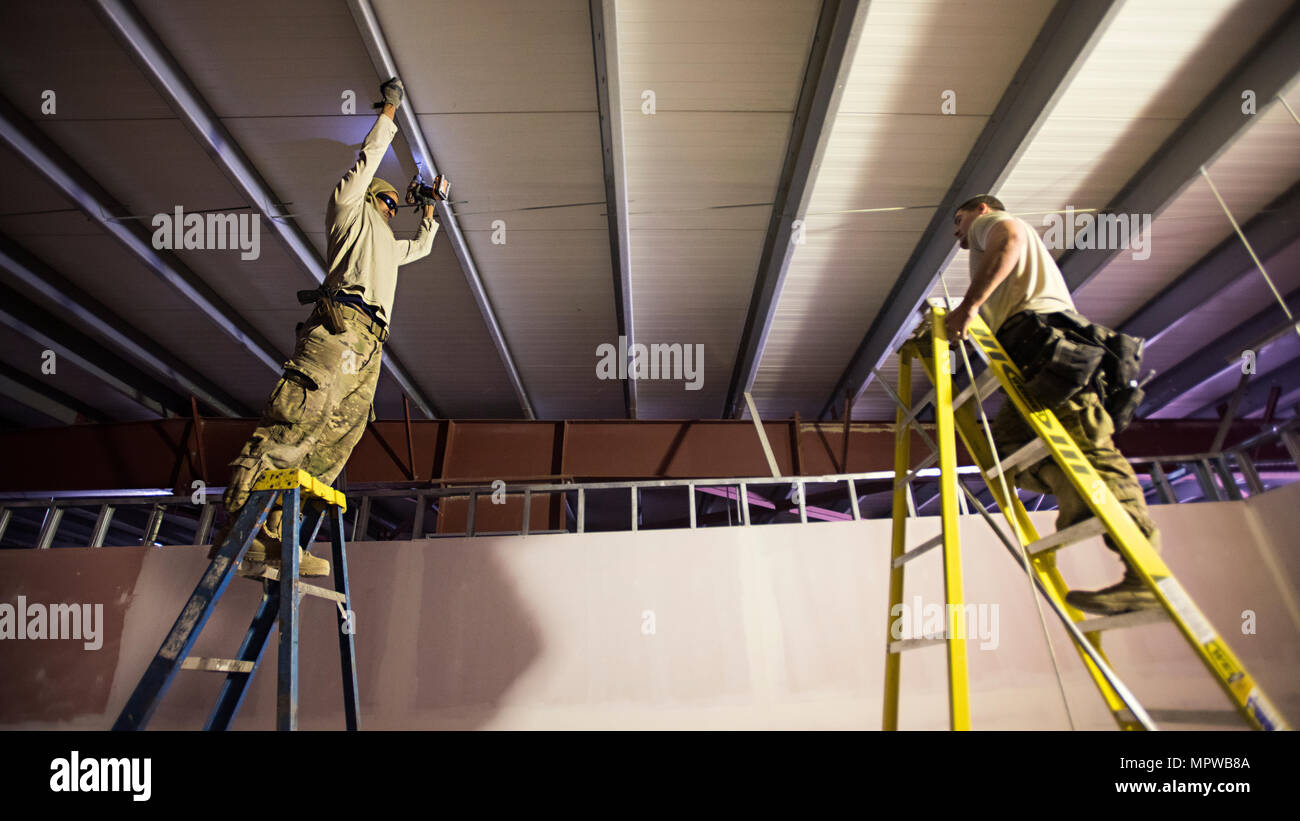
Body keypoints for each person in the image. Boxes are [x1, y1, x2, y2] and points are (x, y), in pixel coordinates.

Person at [212, 77, 440, 576]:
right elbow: (366, 167)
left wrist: (429, 211)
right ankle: (237, 524)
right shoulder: (348, 215)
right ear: (371, 200)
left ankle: (276, 531)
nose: (391, 210)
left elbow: (420, 248)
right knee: (300, 416)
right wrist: (389, 116)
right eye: (388, 203)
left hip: (370, 343)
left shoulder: (386, 246)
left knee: (341, 433)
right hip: (338, 329)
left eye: (394, 208)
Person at [944, 194, 1159, 615]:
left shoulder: (993, 223)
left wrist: (969, 307)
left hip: (1046, 342)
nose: (956, 230)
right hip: (1028, 350)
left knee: (1089, 445)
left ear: (981, 209)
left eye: (959, 218)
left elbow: (1010, 240)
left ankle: (1143, 574)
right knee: (1008, 447)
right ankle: (1075, 498)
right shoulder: (988, 239)